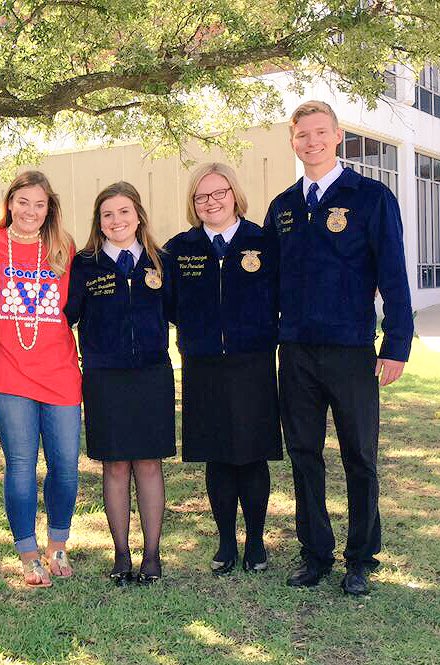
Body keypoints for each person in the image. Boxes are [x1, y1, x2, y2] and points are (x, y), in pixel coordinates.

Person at [264, 101, 414, 596]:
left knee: (359, 455)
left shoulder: (370, 197)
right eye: (302, 135)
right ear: (292, 141)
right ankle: (315, 553)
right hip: (297, 353)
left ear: (337, 136)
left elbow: (393, 274)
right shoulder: (283, 207)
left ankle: (360, 557)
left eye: (320, 133)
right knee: (305, 453)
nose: (311, 142)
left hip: (352, 351)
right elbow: (267, 283)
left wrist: (395, 345)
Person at [165, 163, 281, 576]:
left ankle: (255, 541)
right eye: (202, 196)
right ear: (193, 203)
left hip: (252, 363)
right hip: (204, 364)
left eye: (219, 193)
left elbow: (279, 295)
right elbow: (169, 303)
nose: (211, 202)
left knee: (251, 455)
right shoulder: (179, 248)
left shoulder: (264, 243)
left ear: (234, 195)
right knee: (218, 455)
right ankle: (226, 542)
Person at [0, 170, 82, 588]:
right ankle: (28, 553)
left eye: (40, 204)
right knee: (21, 464)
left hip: (58, 369)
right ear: (9, 203)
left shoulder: (63, 247)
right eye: (23, 202)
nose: (31, 211)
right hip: (7, 368)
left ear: (49, 208)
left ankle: (58, 543)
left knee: (66, 465)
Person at [64, 182, 175, 586]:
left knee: (148, 464)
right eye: (107, 214)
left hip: (151, 375)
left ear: (139, 216)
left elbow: (181, 311)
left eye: (124, 212)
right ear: (99, 222)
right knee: (114, 466)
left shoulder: (161, 262)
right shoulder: (84, 264)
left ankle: (152, 554)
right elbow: (67, 316)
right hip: (104, 376)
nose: (117, 221)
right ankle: (121, 554)